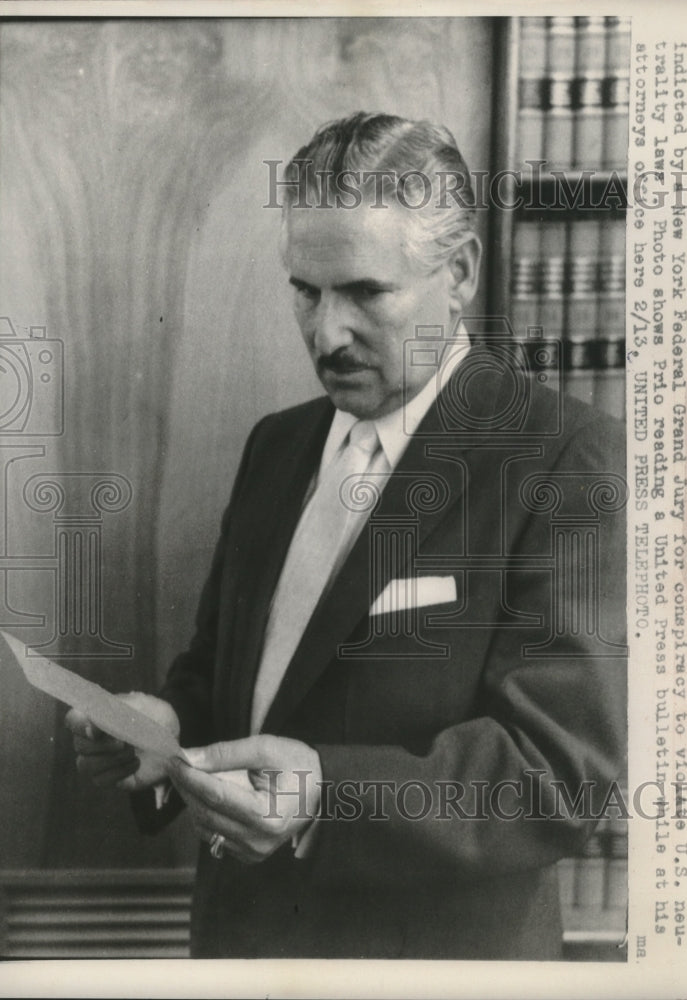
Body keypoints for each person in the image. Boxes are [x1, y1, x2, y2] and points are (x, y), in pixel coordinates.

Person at [66, 112, 626, 960]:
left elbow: (557, 772)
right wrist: (163, 724)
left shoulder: (562, 455)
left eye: (365, 293)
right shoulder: (278, 444)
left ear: (460, 271)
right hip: (240, 953)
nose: (326, 334)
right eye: (305, 289)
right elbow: (232, 674)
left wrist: (326, 797)